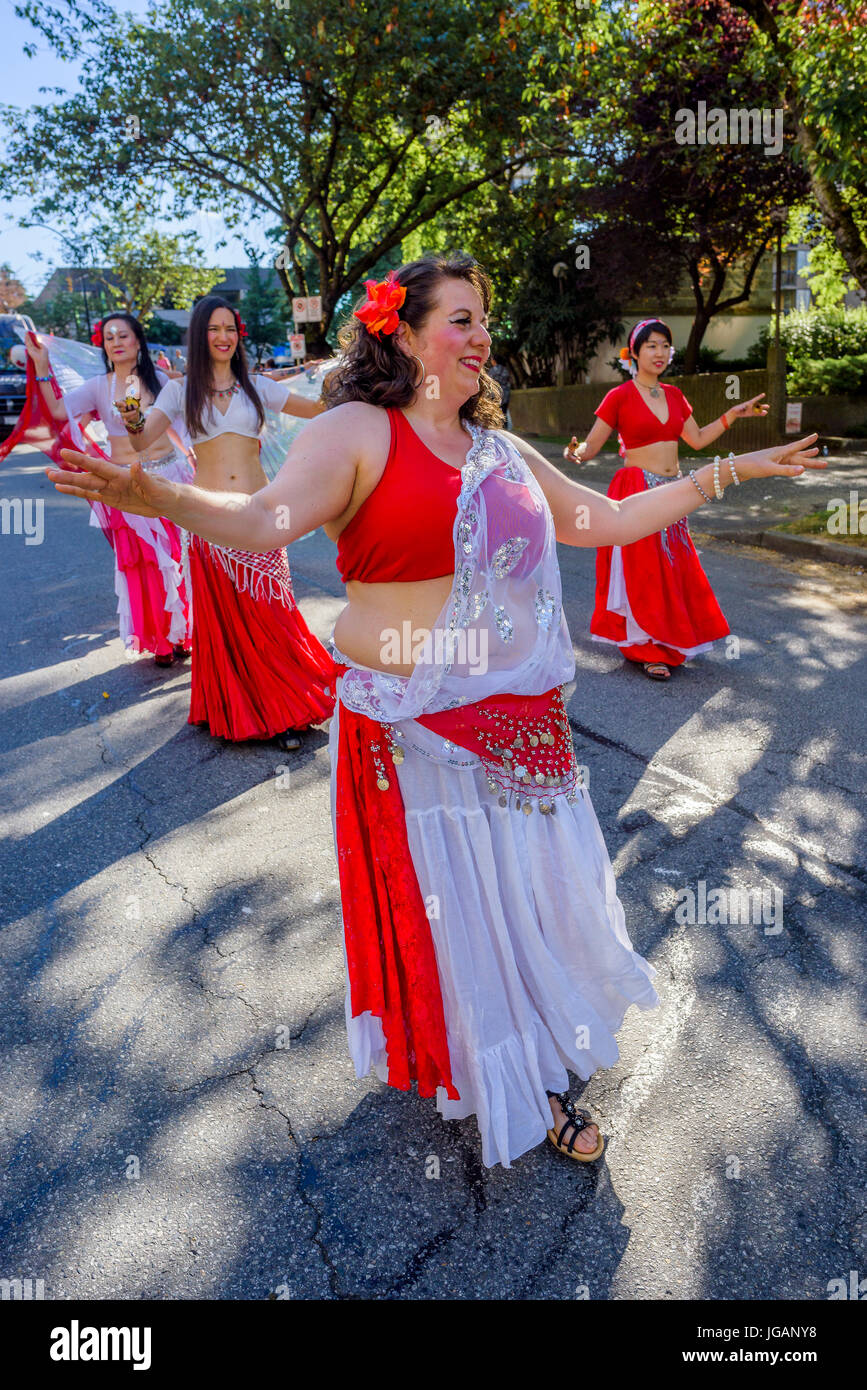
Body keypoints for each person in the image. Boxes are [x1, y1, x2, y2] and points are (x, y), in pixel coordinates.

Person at [46, 255, 823, 1169]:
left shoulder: (497, 446)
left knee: (534, 904)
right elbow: (260, 520)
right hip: (420, 733)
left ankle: (534, 1052)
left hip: (526, 724)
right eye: (458, 319)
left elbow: (597, 522)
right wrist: (157, 493)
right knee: (470, 917)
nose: (481, 336)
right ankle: (514, 1077)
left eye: (483, 319)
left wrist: (727, 471)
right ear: (405, 335)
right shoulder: (355, 431)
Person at [114, 295, 335, 751]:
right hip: (208, 517)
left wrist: (351, 380)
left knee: (271, 613)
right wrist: (132, 414)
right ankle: (237, 708)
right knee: (229, 620)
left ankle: (285, 708)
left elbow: (317, 410)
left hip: (260, 513)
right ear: (200, 336)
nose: (223, 337)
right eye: (214, 329)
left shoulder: (256, 386)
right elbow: (142, 442)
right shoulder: (180, 390)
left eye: (230, 328)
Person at [564, 317, 769, 681]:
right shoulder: (619, 396)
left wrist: (733, 415)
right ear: (635, 353)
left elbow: (698, 439)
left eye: (664, 346)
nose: (659, 353)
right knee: (643, 572)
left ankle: (672, 641)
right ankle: (646, 648)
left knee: (673, 568)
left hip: (674, 490)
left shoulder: (674, 395)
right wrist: (575, 453)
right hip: (637, 487)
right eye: (651, 346)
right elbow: (591, 447)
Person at [20, 313, 194, 666]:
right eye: (109, 336)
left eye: (123, 335)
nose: (115, 342)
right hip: (125, 485)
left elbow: (182, 429)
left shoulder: (161, 381)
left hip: (168, 477)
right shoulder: (99, 386)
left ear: (138, 342)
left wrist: (199, 464)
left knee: (178, 559)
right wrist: (41, 366)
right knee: (144, 563)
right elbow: (57, 409)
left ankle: (184, 634)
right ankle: (161, 640)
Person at [488, 353, 512, 428]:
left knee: (494, 413)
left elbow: (489, 383)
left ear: (494, 360)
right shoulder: (505, 370)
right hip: (505, 394)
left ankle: (497, 428)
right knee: (504, 413)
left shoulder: (492, 371)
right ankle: (505, 429)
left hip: (495, 394)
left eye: (492, 359)